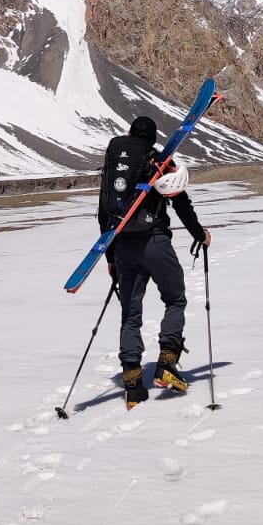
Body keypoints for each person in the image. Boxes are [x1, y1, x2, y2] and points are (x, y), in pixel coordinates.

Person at [98, 115, 211, 409]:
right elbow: (181, 203)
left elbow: (103, 216)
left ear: (129, 134)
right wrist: (200, 234)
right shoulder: (158, 163)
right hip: (154, 242)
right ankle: (166, 366)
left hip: (122, 246)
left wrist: (110, 257)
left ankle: (133, 385)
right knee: (175, 299)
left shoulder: (114, 171)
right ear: (152, 139)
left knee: (130, 314)